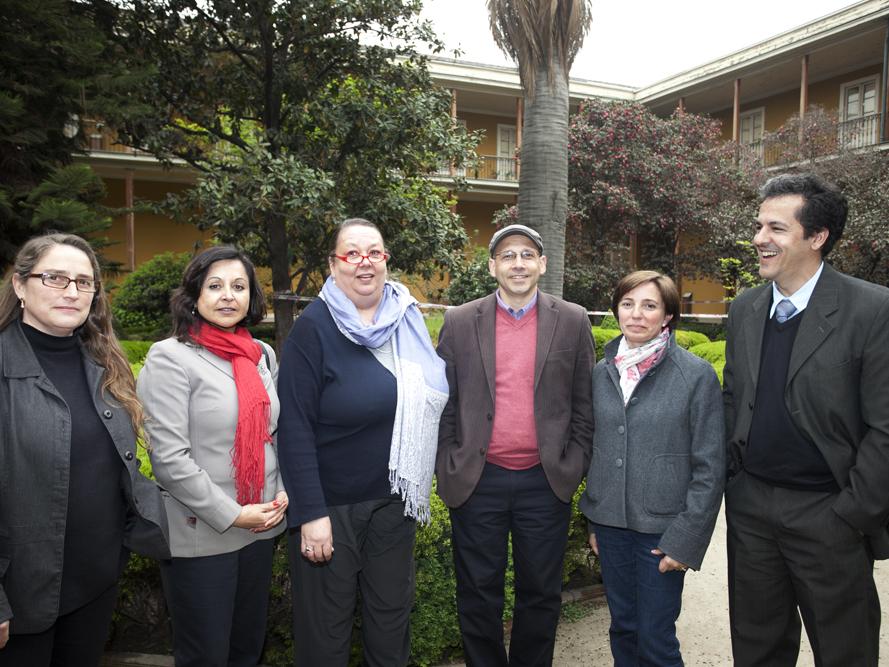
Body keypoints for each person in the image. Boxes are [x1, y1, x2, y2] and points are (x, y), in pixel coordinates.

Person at [724, 172, 889, 666]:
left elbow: (885, 427)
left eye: (775, 228)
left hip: (830, 513)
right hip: (752, 509)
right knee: (757, 650)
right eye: (758, 226)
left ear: (816, 238)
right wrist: (736, 484)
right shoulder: (746, 307)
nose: (759, 239)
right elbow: (733, 398)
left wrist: (852, 514)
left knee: (845, 652)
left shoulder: (873, 309)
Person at [277, 218, 447, 666]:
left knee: (391, 623)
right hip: (332, 507)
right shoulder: (312, 329)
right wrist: (310, 514)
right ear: (333, 266)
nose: (364, 262)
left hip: (394, 501)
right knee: (325, 633)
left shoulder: (405, 318)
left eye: (374, 252)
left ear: (386, 261)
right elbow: (294, 427)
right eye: (352, 253)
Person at [0, 233, 169, 665]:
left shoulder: (104, 364)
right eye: (55, 278)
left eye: (84, 281)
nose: (72, 291)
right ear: (20, 285)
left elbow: (116, 467)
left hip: (95, 581)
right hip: (21, 595)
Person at [436, 224, 595, 666]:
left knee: (541, 595)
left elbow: (584, 404)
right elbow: (443, 401)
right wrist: (448, 456)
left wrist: (574, 460)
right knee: (476, 593)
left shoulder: (573, 319)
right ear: (492, 266)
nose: (518, 263)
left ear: (543, 264)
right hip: (477, 479)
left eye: (527, 255)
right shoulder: (460, 320)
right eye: (508, 256)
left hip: (544, 484)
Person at [137, 245, 288, 667]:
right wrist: (234, 514)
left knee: (246, 649)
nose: (228, 296)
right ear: (194, 295)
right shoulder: (170, 357)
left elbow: (274, 435)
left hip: (260, 527)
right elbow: (169, 459)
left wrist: (283, 493)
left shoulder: (261, 355)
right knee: (205, 654)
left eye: (239, 286)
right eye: (215, 286)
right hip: (202, 533)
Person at [579, 270, 724, 666]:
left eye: (649, 305)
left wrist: (687, 538)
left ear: (668, 316)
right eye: (627, 304)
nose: (636, 314)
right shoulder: (600, 372)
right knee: (623, 629)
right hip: (611, 528)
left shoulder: (695, 376)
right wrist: (596, 522)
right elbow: (597, 451)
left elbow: (710, 465)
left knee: (656, 638)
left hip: (663, 532)